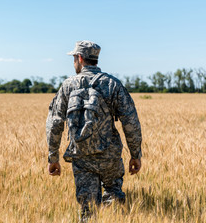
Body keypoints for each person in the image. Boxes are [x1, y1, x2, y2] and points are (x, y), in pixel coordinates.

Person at [46, 40, 142, 221]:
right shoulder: (113, 84)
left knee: (88, 208)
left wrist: (53, 157)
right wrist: (135, 154)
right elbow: (131, 121)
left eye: (74, 57)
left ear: (80, 58)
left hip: (81, 158)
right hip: (110, 156)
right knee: (114, 198)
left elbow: (55, 123)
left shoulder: (68, 86)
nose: (74, 61)